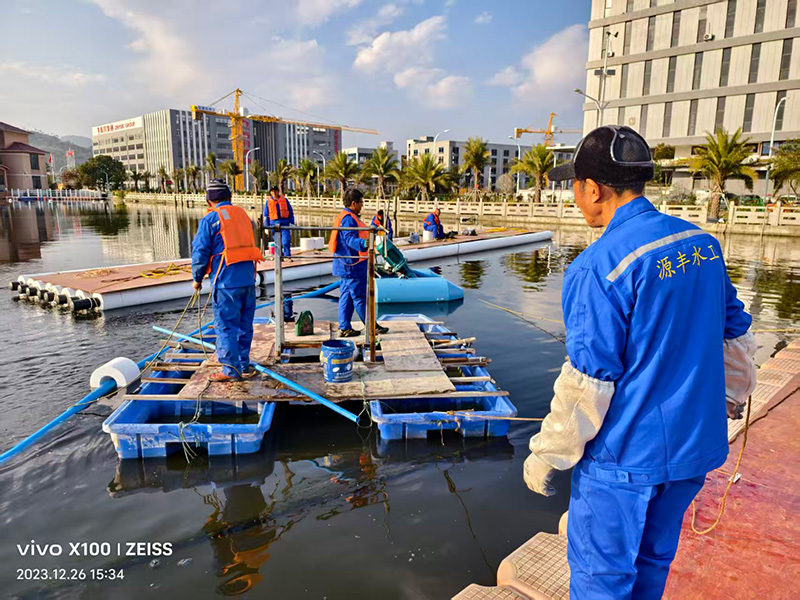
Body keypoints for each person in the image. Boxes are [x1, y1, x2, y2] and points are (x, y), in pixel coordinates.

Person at [523, 126, 756, 599]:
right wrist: (730, 398)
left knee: (601, 579)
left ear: (593, 188)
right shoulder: (702, 245)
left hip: (623, 461)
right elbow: (735, 337)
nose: (575, 195)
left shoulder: (597, 266)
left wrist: (548, 452)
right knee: (653, 563)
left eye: (575, 185)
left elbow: (588, 381)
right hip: (692, 451)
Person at [192, 179, 263, 382]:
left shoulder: (210, 219)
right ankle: (244, 365)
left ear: (208, 200)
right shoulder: (243, 216)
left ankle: (231, 370)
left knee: (226, 327)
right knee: (244, 326)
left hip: (226, 283)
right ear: (230, 197)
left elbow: (200, 252)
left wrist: (197, 278)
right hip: (249, 281)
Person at [329, 188, 389, 338]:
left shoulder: (349, 216)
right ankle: (371, 327)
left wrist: (372, 230)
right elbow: (350, 239)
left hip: (347, 264)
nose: (362, 205)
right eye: (361, 202)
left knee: (346, 296)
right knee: (359, 296)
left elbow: (358, 231)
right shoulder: (348, 218)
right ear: (353, 203)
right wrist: (366, 243)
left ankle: (344, 327)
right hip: (351, 265)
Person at [264, 186, 294, 258]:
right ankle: (280, 256)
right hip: (274, 224)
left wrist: (292, 223)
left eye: (275, 191)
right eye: (272, 191)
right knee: (277, 242)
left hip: (285, 223)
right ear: (270, 193)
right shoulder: (268, 202)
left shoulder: (285, 200)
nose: (274, 193)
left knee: (286, 240)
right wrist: (266, 227)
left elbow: (290, 212)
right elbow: (266, 215)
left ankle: (287, 256)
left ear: (278, 191)